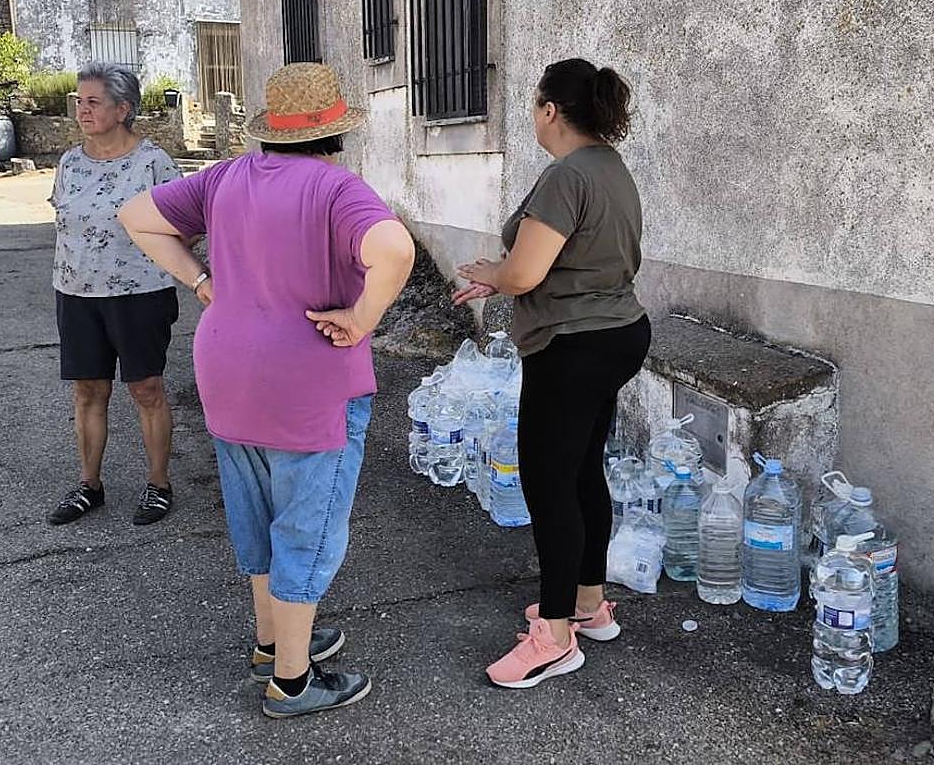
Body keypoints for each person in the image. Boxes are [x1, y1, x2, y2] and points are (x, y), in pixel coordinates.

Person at [117, 62, 415, 718]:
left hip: (227, 372)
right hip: (308, 382)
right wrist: (362, 320)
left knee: (255, 515)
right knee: (307, 529)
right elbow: (394, 249)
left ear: (268, 131)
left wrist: (200, 281)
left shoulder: (225, 178)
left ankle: (270, 639)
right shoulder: (339, 190)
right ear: (335, 132)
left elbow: (136, 216)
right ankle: (293, 680)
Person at [454, 58, 652, 689]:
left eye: (534, 107)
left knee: (547, 483)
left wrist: (490, 272)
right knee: (582, 468)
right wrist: (502, 272)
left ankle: (556, 636)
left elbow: (524, 273)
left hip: (573, 343)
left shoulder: (565, 176)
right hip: (618, 331)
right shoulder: (610, 167)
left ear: (549, 111)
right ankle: (588, 605)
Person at [46, 62, 185, 528]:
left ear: (123, 109)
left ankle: (159, 484)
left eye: (93, 102)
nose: (82, 110)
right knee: (88, 390)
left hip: (140, 294)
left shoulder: (153, 163)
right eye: (78, 102)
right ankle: (90, 485)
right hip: (76, 292)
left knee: (146, 389)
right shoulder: (69, 163)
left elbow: (185, 227)